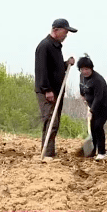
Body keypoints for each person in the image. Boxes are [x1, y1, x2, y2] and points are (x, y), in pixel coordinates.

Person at [34, 18, 77, 158]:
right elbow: (42, 70)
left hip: (56, 91)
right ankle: (47, 154)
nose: (66, 35)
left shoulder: (56, 46)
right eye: (65, 32)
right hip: (48, 92)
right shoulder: (45, 46)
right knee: (51, 121)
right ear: (56, 30)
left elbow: (55, 69)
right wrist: (47, 90)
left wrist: (66, 64)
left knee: (54, 122)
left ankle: (49, 153)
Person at [78, 54, 107, 160]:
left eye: (87, 69)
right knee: (92, 127)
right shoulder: (82, 77)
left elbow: (99, 97)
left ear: (91, 68)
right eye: (82, 69)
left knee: (98, 126)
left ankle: (102, 152)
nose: (85, 71)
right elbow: (82, 89)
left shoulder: (97, 80)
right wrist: (83, 97)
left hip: (104, 104)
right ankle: (93, 150)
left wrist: (91, 110)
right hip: (92, 104)